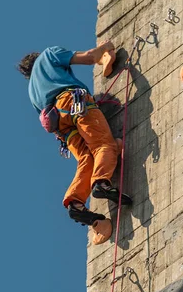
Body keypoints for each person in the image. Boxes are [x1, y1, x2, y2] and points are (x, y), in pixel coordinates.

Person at [17, 42, 132, 225]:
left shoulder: (32, 91)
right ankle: (101, 183)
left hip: (60, 126)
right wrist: (105, 48)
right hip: (73, 102)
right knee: (103, 145)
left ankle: (76, 203)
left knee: (86, 158)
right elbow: (88, 57)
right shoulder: (48, 55)